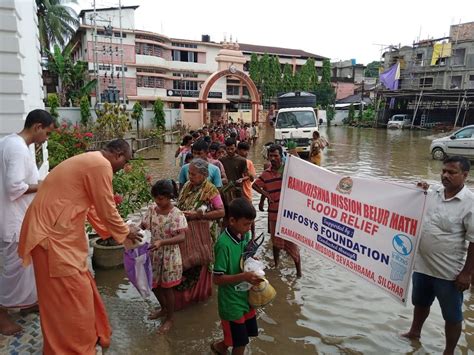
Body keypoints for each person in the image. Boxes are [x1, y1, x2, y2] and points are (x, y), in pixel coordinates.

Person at [18, 139, 142, 354]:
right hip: (51, 240)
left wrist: (116, 234)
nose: (124, 168)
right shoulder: (100, 165)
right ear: (119, 155)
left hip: (55, 237)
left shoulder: (91, 161)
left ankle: (80, 340)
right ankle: (72, 349)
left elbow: (93, 208)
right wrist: (124, 231)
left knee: (77, 292)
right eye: (126, 162)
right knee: (70, 299)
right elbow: (106, 207)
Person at [402, 156, 473, 355]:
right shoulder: (432, 192)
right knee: (420, 302)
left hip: (449, 271)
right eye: (443, 171)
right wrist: (417, 189)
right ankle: (414, 332)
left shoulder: (470, 203)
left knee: (452, 314)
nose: (445, 176)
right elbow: (410, 199)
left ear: (465, 176)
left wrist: (467, 273)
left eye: (452, 172)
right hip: (422, 265)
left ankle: (448, 351)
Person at [0, 109, 55, 335]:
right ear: (37, 127)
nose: (46, 139)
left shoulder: (8, 142)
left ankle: (27, 302)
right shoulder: (17, 148)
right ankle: (2, 315)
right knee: (14, 270)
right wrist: (44, 186)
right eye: (47, 133)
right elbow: (14, 187)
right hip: (14, 221)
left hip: (16, 218)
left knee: (26, 267)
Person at [211, 198, 263, 355]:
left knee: (245, 333)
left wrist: (252, 261)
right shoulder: (223, 244)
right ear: (232, 221)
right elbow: (217, 279)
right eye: (246, 224)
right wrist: (244, 276)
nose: (249, 229)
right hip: (231, 302)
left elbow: (243, 257)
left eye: (251, 224)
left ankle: (219, 347)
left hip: (245, 297)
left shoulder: (244, 236)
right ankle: (222, 346)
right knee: (240, 343)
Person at [175, 159, 225, 309]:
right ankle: (182, 300)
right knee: (185, 264)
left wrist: (198, 215)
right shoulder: (186, 186)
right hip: (185, 233)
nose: (190, 176)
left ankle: (198, 298)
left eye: (194, 174)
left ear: (204, 175)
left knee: (198, 263)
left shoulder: (210, 190)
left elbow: (221, 212)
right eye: (189, 173)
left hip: (202, 236)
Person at [141, 180, 187, 334]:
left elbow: (181, 237)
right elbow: (142, 226)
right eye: (156, 198)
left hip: (170, 256)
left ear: (169, 197)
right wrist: (131, 230)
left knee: (168, 289)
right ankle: (163, 308)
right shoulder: (152, 210)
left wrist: (163, 242)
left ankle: (170, 318)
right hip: (153, 252)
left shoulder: (176, 214)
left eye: (161, 198)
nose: (157, 201)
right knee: (154, 285)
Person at [253, 144, 302, 277]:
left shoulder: (288, 170)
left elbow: (302, 169)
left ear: (281, 156)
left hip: (289, 214)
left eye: (276, 155)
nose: (273, 158)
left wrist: (293, 151)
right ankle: (276, 265)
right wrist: (266, 195)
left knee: (292, 245)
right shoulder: (266, 173)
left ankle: (299, 273)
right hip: (274, 214)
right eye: (271, 156)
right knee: (275, 242)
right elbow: (255, 185)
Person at [219, 138, 248, 214]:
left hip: (237, 190)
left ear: (235, 147)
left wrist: (242, 179)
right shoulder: (221, 160)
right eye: (228, 149)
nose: (230, 151)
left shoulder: (242, 160)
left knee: (238, 212)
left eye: (232, 149)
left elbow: (247, 175)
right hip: (225, 190)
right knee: (227, 212)